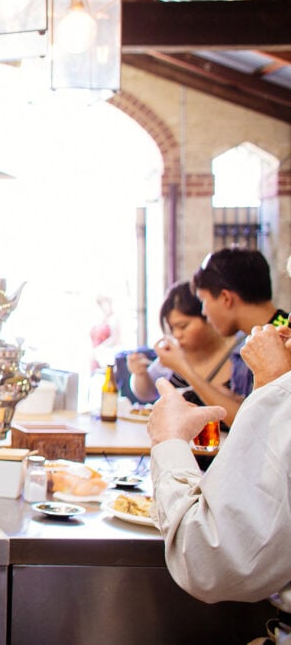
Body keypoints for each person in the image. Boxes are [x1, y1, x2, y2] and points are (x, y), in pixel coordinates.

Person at [146, 255, 291, 610]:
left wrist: (273, 386)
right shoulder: (262, 338)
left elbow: (214, 556)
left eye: (205, 304)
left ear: (225, 297)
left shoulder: (273, 340)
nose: (206, 315)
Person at [190, 248, 289, 425]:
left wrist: (182, 367)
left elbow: (255, 424)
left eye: (203, 300)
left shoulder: (282, 343)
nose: (204, 311)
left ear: (225, 298)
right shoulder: (248, 340)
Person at [126, 282, 240, 410]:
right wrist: (139, 373)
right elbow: (147, 393)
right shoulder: (176, 353)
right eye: (172, 328)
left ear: (207, 315)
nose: (177, 334)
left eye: (183, 326)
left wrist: (183, 368)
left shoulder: (239, 354)